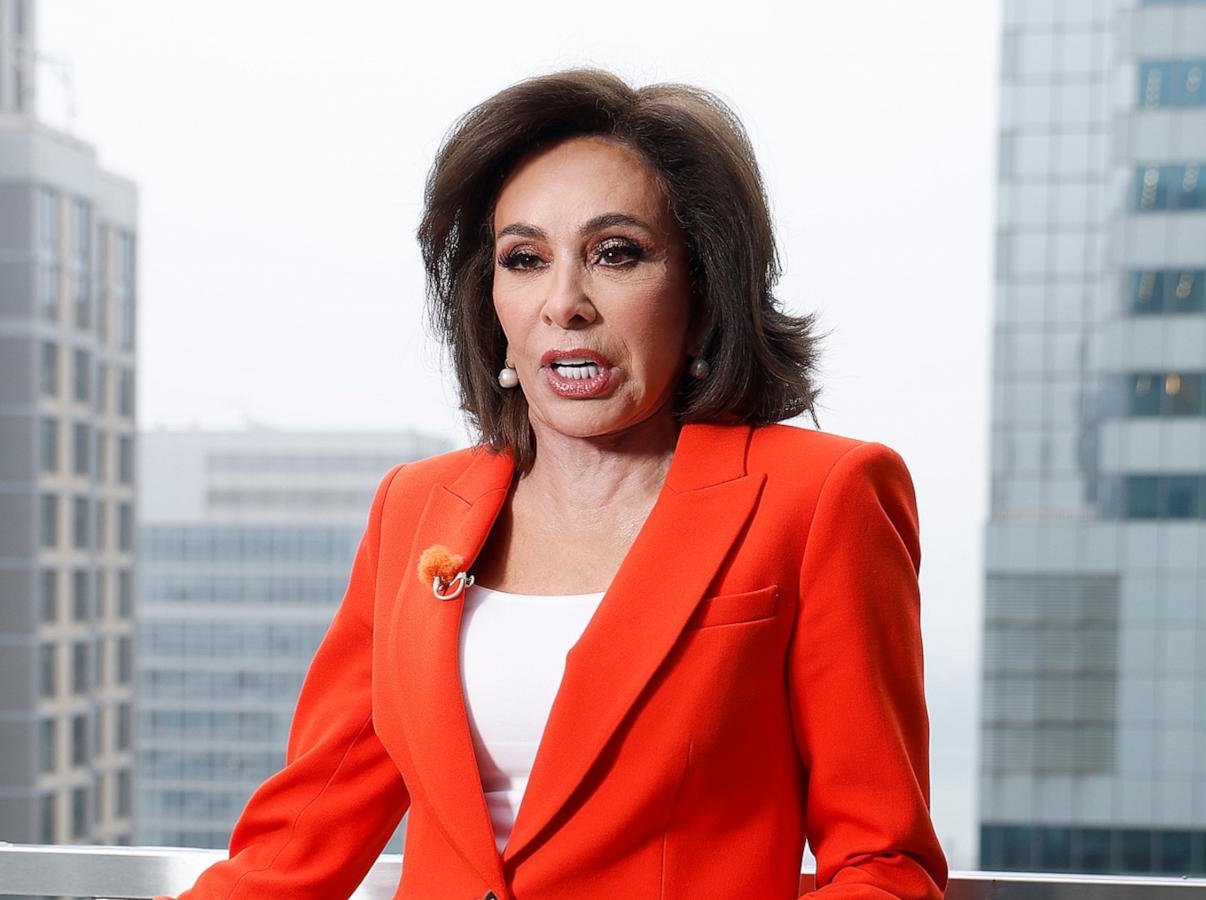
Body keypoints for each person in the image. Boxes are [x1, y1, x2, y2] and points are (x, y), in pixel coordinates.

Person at [159, 67, 947, 899]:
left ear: (703, 293)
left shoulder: (822, 496)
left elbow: (883, 866)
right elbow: (296, 844)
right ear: (489, 299)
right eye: (525, 259)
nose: (565, 302)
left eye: (616, 253)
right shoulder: (414, 507)